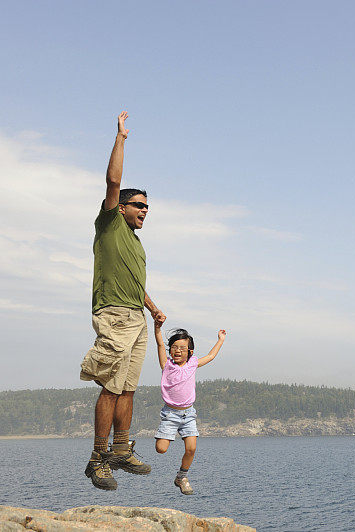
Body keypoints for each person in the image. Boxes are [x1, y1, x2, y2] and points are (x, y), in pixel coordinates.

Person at [79, 111, 167, 491]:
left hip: (136, 317)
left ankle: (120, 449)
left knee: (128, 388)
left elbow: (132, 278)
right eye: (140, 205)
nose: (145, 211)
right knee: (111, 388)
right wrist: (121, 138)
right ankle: (97, 458)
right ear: (123, 206)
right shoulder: (110, 222)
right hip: (113, 315)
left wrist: (151, 306)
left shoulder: (135, 242)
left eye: (147, 207)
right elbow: (113, 179)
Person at [154, 324, 227, 495]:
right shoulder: (166, 365)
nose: (177, 351)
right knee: (161, 449)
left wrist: (220, 340)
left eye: (182, 348)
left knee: (191, 448)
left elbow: (210, 356)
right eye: (174, 347)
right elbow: (159, 345)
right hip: (170, 414)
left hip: (188, 414)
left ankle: (181, 477)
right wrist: (157, 329)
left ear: (190, 352)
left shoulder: (193, 364)